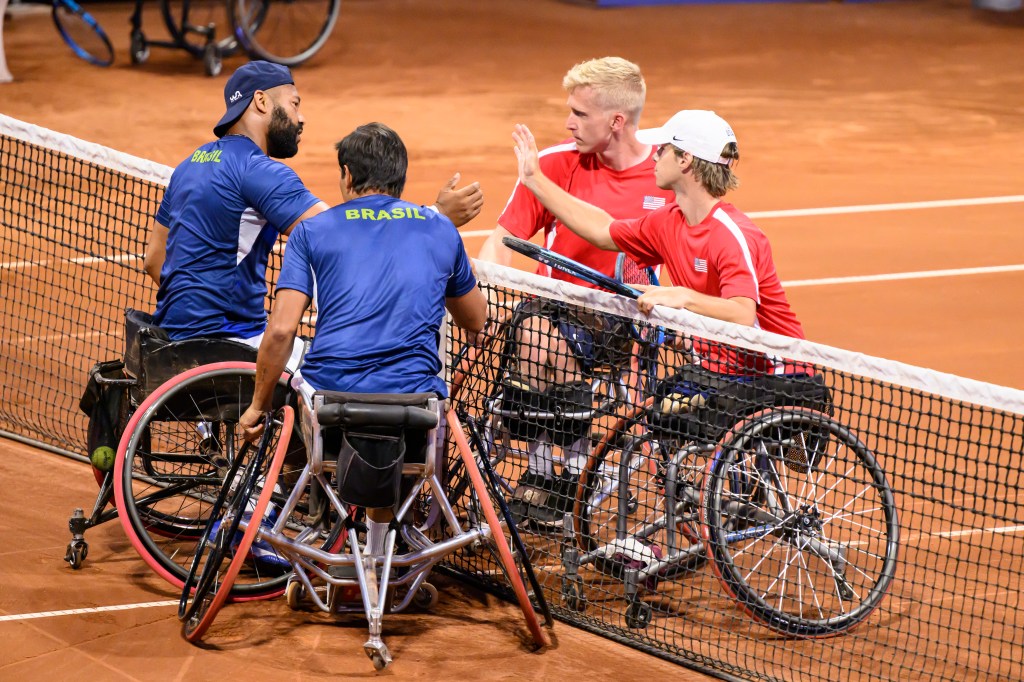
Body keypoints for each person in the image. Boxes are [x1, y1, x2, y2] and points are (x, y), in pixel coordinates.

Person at [239, 121, 487, 557]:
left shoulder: (312, 232)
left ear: (348, 175)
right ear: (400, 177)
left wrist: (258, 406)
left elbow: (280, 330)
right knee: (421, 430)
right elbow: (476, 320)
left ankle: (320, 515)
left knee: (291, 405)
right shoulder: (440, 230)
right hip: (415, 407)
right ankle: (386, 541)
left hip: (332, 403)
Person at [143, 60, 483, 368]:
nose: (300, 118)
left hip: (169, 337)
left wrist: (197, 303)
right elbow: (345, 235)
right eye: (294, 104)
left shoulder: (188, 165)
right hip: (228, 344)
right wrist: (435, 216)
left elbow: (154, 260)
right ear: (261, 102)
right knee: (330, 369)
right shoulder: (259, 171)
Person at [476, 56, 674, 527]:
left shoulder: (666, 176)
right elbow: (502, 241)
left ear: (617, 121)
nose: (569, 124)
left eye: (580, 115)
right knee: (539, 333)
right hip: (549, 312)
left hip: (624, 321)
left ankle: (549, 475)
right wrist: (485, 295)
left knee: (540, 336)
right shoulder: (553, 164)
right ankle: (557, 475)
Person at [510, 108, 806, 378]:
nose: (654, 156)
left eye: (663, 150)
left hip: (775, 375)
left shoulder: (732, 234)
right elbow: (602, 230)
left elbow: (742, 314)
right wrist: (535, 180)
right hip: (719, 370)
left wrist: (682, 298)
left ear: (685, 159)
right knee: (662, 419)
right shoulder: (666, 222)